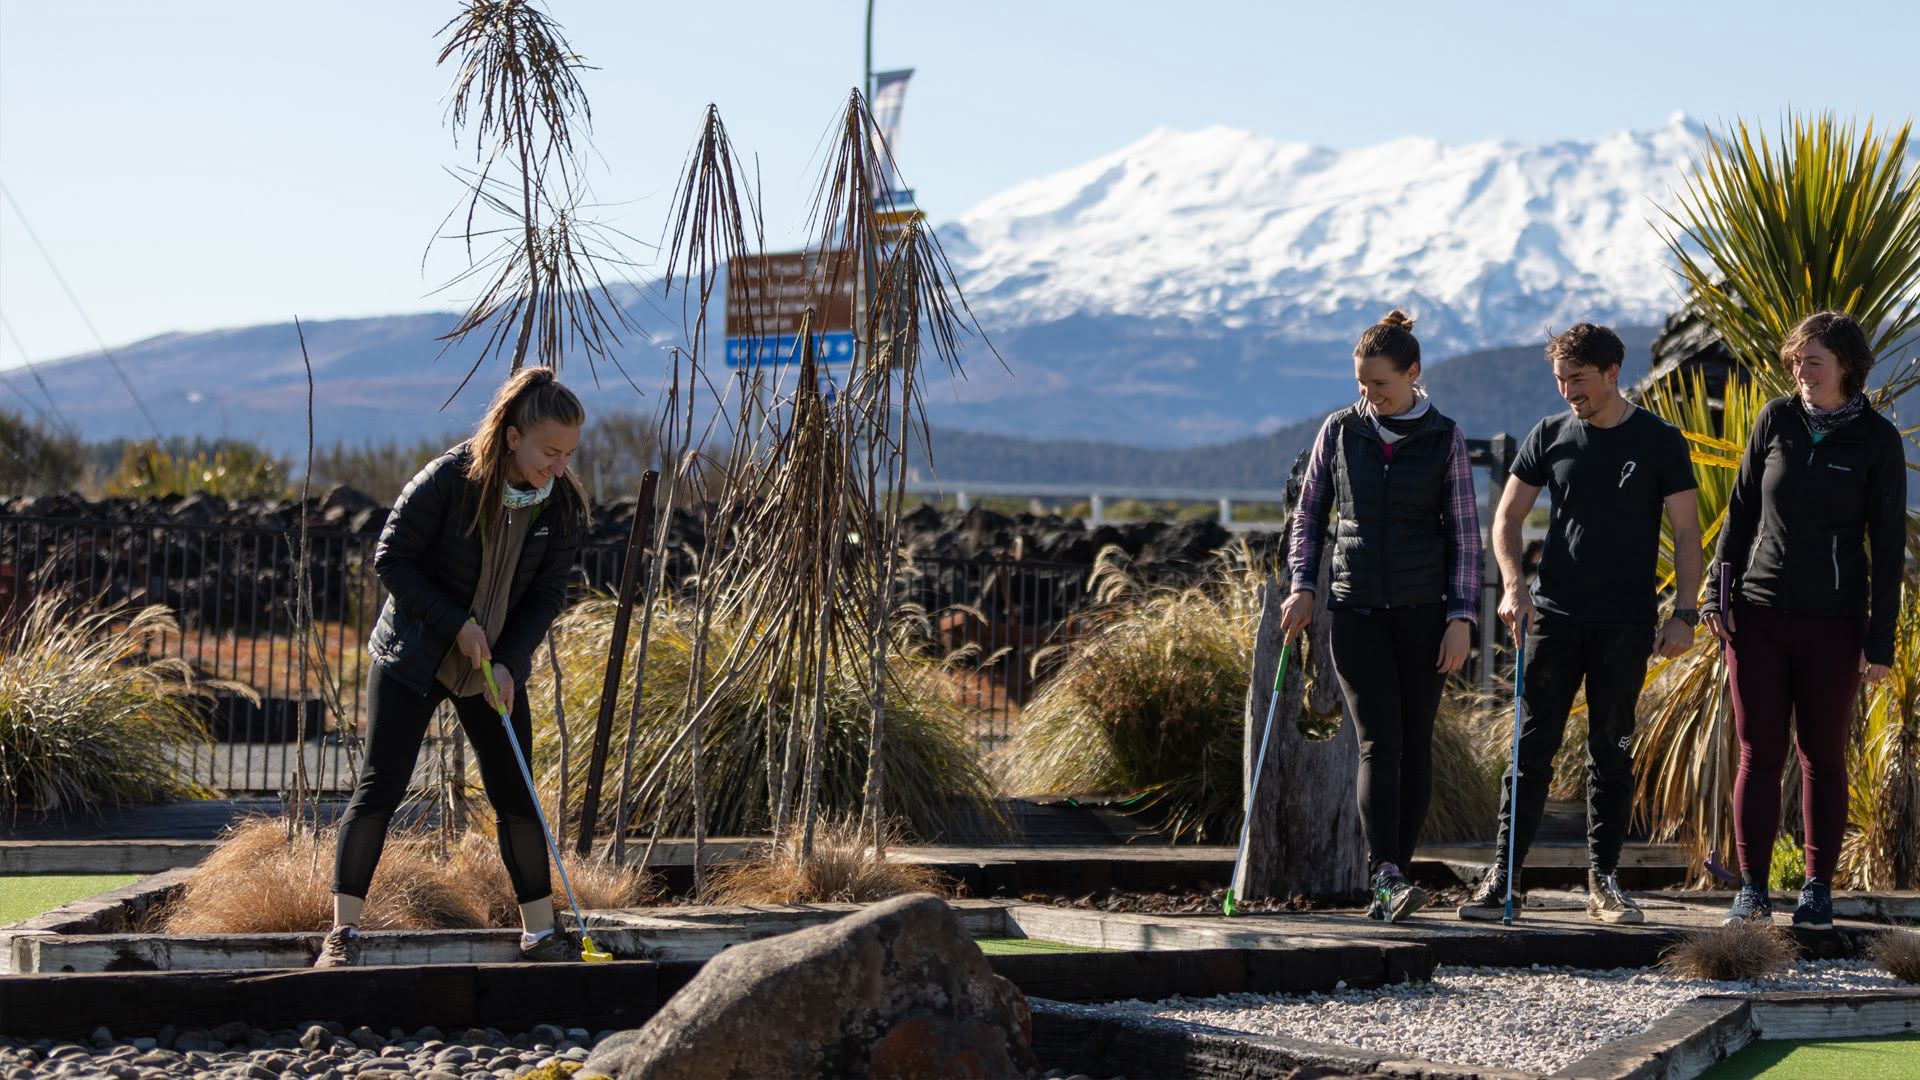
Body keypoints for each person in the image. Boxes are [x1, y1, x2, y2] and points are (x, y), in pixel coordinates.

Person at [315, 367, 588, 967]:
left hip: (489, 668)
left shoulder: (559, 502)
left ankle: (541, 934)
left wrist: (512, 661)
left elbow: (545, 596)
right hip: (414, 654)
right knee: (380, 786)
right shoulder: (448, 480)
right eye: (549, 451)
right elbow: (392, 560)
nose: (559, 466)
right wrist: (456, 625)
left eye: (568, 453)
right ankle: (343, 934)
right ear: (513, 437)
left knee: (515, 790)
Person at [1456, 324, 1700, 924]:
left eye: (1579, 380)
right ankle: (1503, 879)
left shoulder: (1659, 440)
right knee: (1530, 749)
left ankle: (1606, 882)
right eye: (1561, 380)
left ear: (1613, 371)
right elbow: (1506, 520)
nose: (1569, 392)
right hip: (1554, 618)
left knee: (1610, 752)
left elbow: (1689, 534)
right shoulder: (1551, 435)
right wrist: (1514, 588)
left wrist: (1686, 613)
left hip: (1625, 625)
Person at [1703, 311, 1905, 930]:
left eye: (1812, 361)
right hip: (1757, 617)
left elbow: (1889, 545)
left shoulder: (1876, 439)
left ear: (1846, 364)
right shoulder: (1775, 420)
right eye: (1794, 362)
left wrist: (1880, 641)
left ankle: (1817, 890)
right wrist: (1718, 594)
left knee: (1821, 754)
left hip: (1834, 624)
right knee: (1757, 751)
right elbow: (1738, 516)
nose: (1800, 372)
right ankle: (1754, 891)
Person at [1282, 309, 1482, 922]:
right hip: (1356, 608)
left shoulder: (1444, 437)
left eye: (1381, 386)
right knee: (1378, 741)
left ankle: (1399, 866)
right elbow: (1310, 514)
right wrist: (1303, 587)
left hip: (1425, 616)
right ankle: (1387, 875)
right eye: (1362, 385)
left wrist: (1462, 617)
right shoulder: (1341, 431)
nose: (1369, 397)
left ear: (1413, 374)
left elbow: (1465, 535)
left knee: (1414, 743)